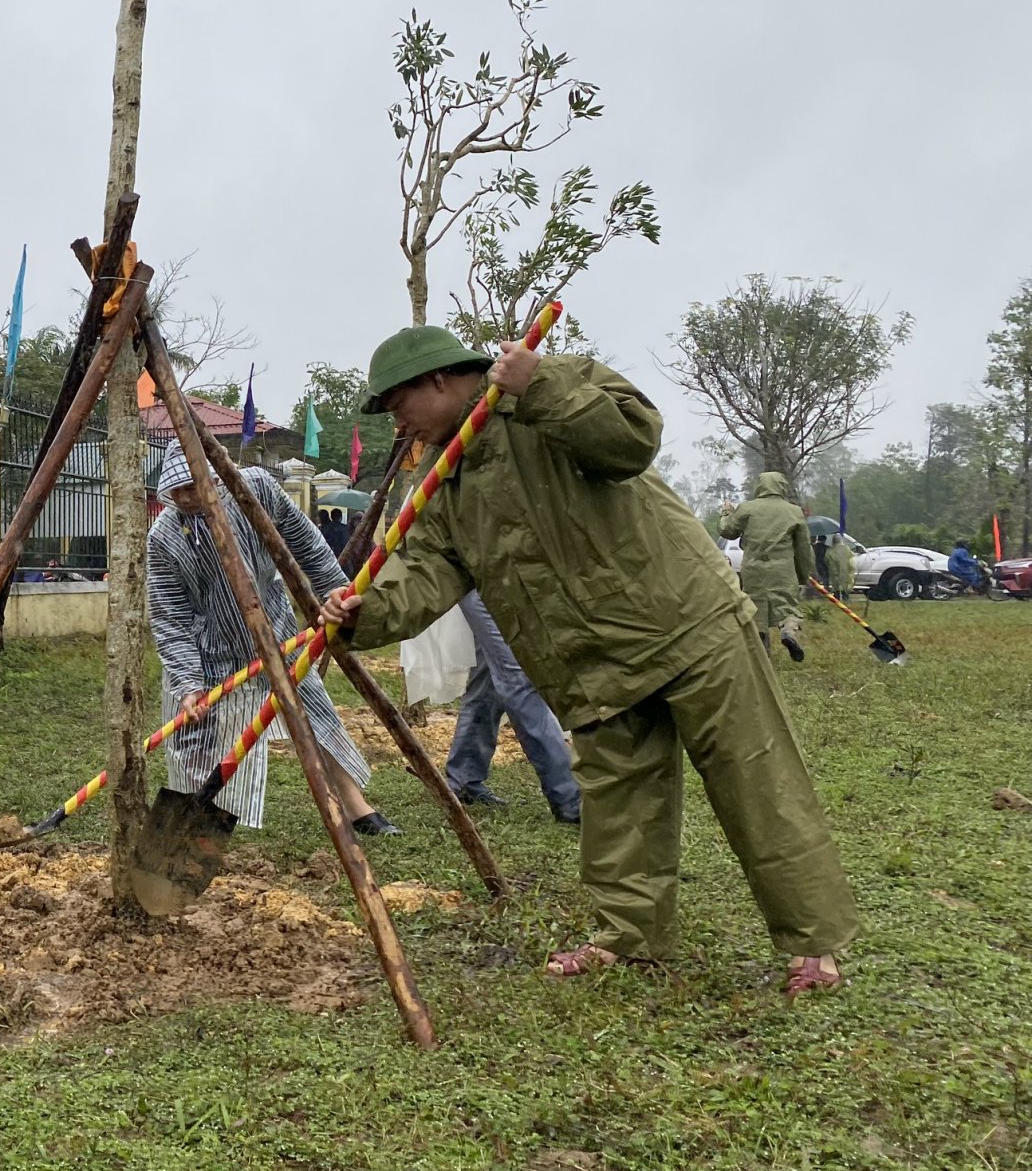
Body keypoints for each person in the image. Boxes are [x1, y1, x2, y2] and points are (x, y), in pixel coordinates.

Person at [317, 326, 858, 998]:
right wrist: (362, 613)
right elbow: (425, 572)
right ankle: (629, 939)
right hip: (594, 663)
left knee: (758, 782)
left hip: (686, 624)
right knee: (619, 805)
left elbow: (632, 439)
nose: (396, 421)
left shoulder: (550, 384)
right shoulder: (444, 479)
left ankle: (814, 947)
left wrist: (540, 386)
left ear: (438, 380)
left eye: (397, 404)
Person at [147, 446, 398, 837]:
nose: (184, 496)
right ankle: (199, 826)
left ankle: (356, 808)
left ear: (212, 477)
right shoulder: (163, 538)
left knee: (313, 716)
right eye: (176, 489)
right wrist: (188, 683)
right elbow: (170, 617)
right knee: (194, 740)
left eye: (192, 486)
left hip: (277, 634)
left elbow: (306, 543)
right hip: (210, 654)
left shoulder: (256, 490)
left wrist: (337, 592)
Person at [445, 591, 583, 824]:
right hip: (478, 577)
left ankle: (465, 776)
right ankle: (569, 797)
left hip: (500, 577)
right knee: (518, 675)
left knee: (488, 677)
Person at [720, 472, 812, 661]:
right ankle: (789, 631)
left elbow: (727, 531)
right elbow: (803, 548)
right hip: (783, 570)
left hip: (754, 569)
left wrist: (727, 513)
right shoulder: (794, 511)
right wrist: (803, 575)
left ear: (760, 486)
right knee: (788, 607)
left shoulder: (747, 509)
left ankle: (762, 655)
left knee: (756, 610)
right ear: (782, 486)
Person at [826, 534, 856, 600]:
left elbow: (827, 560)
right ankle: (845, 597)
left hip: (834, 572)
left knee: (836, 585)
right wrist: (852, 569)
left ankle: (837, 597)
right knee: (846, 585)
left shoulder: (830, 550)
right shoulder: (846, 548)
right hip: (846, 571)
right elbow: (851, 560)